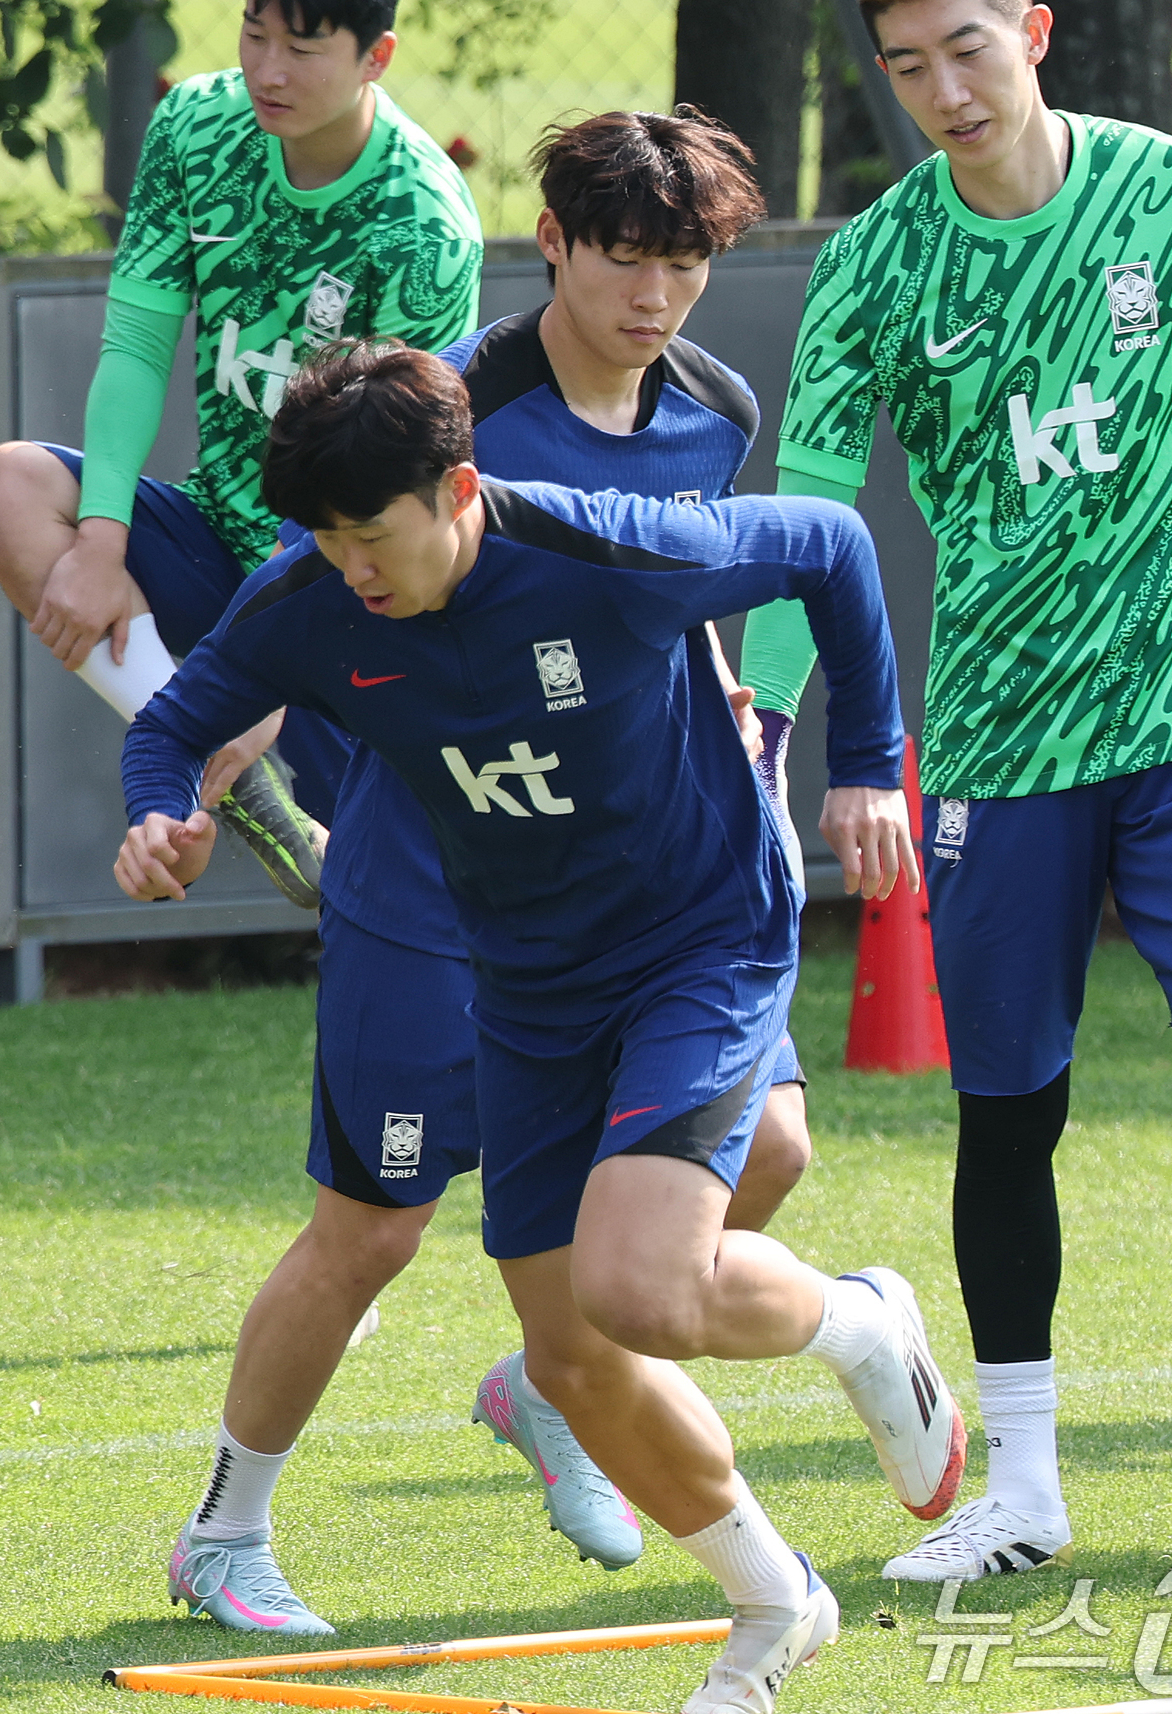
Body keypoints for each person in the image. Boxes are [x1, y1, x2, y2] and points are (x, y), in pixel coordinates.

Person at [115, 338, 965, 1713]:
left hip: (696, 938)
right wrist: (161, 813)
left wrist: (867, 764)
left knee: (639, 1283)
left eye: (373, 535)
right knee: (571, 1351)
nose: (354, 570)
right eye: (327, 541)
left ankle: (863, 1322)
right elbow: (171, 724)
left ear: (460, 487)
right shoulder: (313, 600)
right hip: (527, 979)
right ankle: (773, 1600)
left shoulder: (604, 551)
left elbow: (831, 541)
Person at [740, 0, 1172, 1581]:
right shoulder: (877, 260)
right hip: (996, 749)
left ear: (1038, 31)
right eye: (907, 64)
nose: (942, 89)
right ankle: (1028, 1483)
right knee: (1012, 1114)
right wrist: (764, 713)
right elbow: (811, 505)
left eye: (967, 45)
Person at [0, 0, 482, 907]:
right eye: (254, 34)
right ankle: (244, 789)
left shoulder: (425, 225)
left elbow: (398, 475)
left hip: (343, 578)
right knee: (8, 486)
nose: (268, 69)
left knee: (401, 908)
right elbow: (134, 347)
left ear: (377, 57)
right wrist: (100, 538)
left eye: (303, 47)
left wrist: (270, 649)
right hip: (216, 531)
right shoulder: (196, 124)